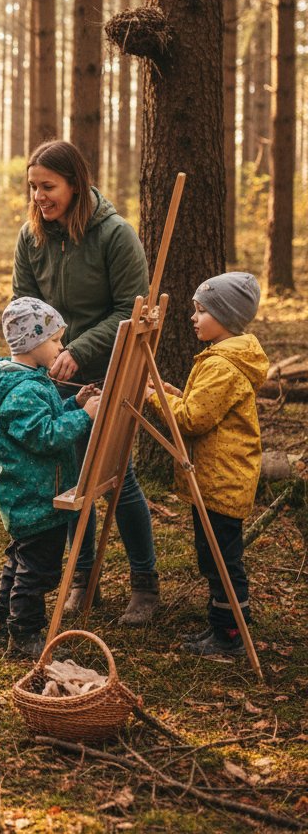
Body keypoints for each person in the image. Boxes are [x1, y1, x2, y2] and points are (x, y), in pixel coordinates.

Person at [13, 139, 158, 623]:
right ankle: (82, 579)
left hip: (108, 369)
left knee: (119, 478)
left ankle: (145, 586)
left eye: (48, 186)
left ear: (76, 184)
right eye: (33, 187)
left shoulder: (115, 235)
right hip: (54, 374)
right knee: (72, 478)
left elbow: (129, 310)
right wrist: (42, 354)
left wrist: (80, 350)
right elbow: (24, 306)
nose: (39, 197)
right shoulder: (30, 238)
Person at [146, 272, 268, 658]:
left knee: (221, 560)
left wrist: (151, 397)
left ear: (225, 315)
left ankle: (230, 634)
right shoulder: (224, 358)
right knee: (213, 556)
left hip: (222, 479)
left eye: (201, 311)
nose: (193, 318)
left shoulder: (222, 365)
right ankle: (221, 625)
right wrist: (175, 393)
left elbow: (191, 420)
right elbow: (205, 408)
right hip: (219, 477)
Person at [0, 297, 101, 658]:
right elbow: (44, 436)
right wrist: (85, 418)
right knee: (36, 573)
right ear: (34, 343)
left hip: (31, 493)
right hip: (33, 497)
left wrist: (74, 404)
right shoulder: (25, 389)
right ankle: (25, 636)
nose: (62, 348)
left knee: (19, 561)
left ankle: (5, 622)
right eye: (57, 341)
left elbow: (44, 418)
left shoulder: (31, 382)